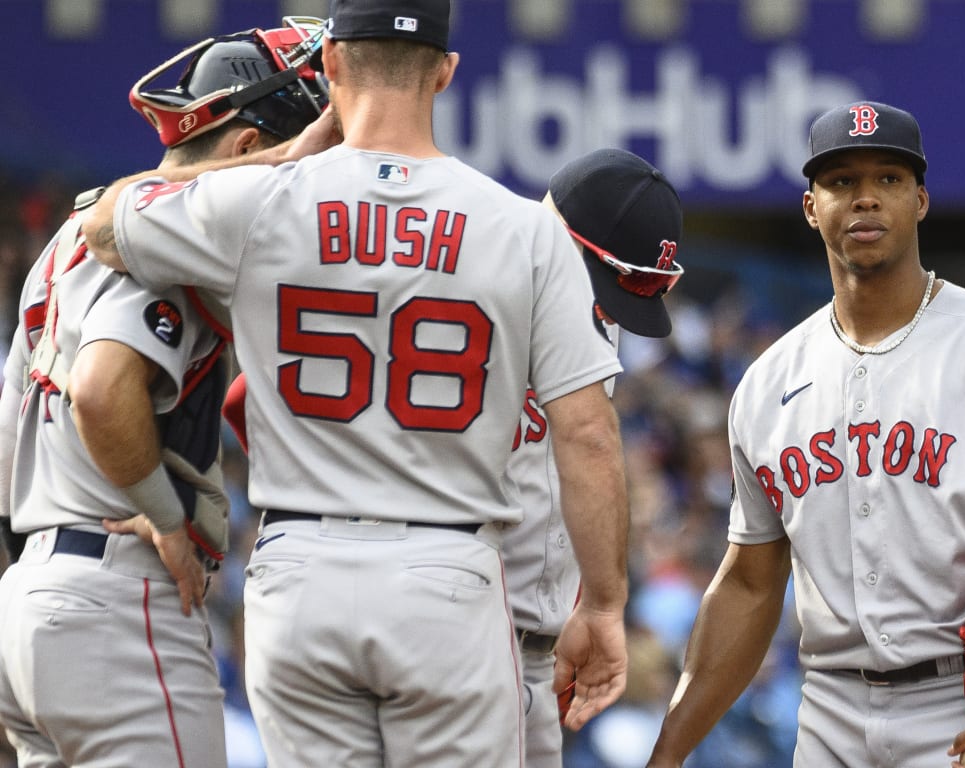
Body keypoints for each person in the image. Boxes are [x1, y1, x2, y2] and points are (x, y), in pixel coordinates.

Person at [80, 0, 632, 764]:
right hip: (447, 570)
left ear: (331, 62)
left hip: (298, 566)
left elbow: (102, 222)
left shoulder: (261, 201)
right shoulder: (524, 228)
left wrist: (272, 160)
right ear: (446, 72)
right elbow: (588, 433)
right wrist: (603, 603)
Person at [646, 101, 965, 768]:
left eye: (888, 179)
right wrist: (669, 750)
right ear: (810, 206)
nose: (865, 199)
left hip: (963, 700)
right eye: (841, 182)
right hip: (829, 708)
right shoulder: (769, 381)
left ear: (920, 200)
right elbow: (748, 583)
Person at [0, 20, 328, 765]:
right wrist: (167, 521)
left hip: (33, 593)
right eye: (295, 154)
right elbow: (101, 390)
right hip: (119, 599)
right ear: (248, 148)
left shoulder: (64, 242)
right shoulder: (171, 250)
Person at [509, 148, 684, 766]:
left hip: (535, 643)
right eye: (612, 283)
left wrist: (586, 603)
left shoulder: (585, 305)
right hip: (459, 623)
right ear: (566, 238)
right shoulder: (477, 282)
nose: (613, 306)